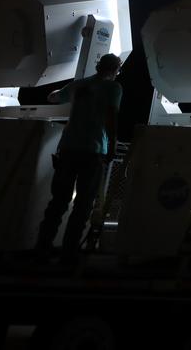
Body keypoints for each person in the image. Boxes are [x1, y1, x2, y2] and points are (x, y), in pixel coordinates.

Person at [35, 53, 123, 263]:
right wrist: (113, 144)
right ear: (116, 70)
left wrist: (64, 91)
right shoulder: (113, 88)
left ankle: (42, 247)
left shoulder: (79, 85)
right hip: (93, 150)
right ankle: (69, 252)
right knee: (83, 204)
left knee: (58, 201)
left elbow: (53, 97)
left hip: (67, 148)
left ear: (98, 65)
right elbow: (111, 117)